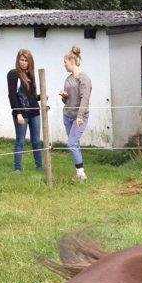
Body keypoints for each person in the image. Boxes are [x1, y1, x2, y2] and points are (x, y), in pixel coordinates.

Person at [7, 49, 42, 173]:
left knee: (36, 141)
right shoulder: (13, 74)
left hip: (34, 112)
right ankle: (17, 168)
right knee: (20, 141)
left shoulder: (30, 74)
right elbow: (12, 95)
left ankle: (39, 167)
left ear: (30, 62)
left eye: (26, 60)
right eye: (21, 60)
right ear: (18, 60)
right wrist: (18, 114)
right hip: (21, 113)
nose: (23, 62)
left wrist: (41, 97)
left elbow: (31, 95)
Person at [60, 45, 92, 181]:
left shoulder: (84, 78)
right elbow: (67, 100)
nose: (64, 65)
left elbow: (85, 99)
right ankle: (79, 173)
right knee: (75, 144)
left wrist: (79, 117)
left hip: (79, 117)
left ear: (71, 62)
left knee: (71, 143)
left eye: (65, 62)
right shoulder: (68, 79)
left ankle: (81, 174)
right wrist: (64, 96)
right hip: (67, 115)